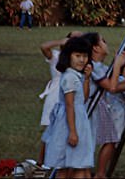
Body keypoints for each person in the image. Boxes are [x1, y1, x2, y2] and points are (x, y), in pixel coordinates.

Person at [84, 33, 125, 178]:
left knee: (110, 141)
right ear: (95, 48)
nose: (106, 43)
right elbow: (113, 87)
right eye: (103, 41)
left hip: (101, 109)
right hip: (93, 110)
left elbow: (119, 82)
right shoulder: (93, 67)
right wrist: (118, 66)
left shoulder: (100, 66)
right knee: (106, 141)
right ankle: (98, 173)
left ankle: (95, 173)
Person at [41, 36, 95, 178]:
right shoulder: (69, 77)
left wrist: (87, 79)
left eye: (84, 56)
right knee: (69, 166)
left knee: (76, 164)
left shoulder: (77, 75)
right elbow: (70, 105)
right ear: (68, 56)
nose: (82, 60)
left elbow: (83, 98)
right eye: (77, 56)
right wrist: (72, 132)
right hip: (70, 123)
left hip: (78, 121)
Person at [38, 32, 85, 166]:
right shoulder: (57, 56)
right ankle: (42, 161)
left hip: (73, 92)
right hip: (55, 92)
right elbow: (44, 47)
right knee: (50, 128)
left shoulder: (79, 59)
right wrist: (60, 42)